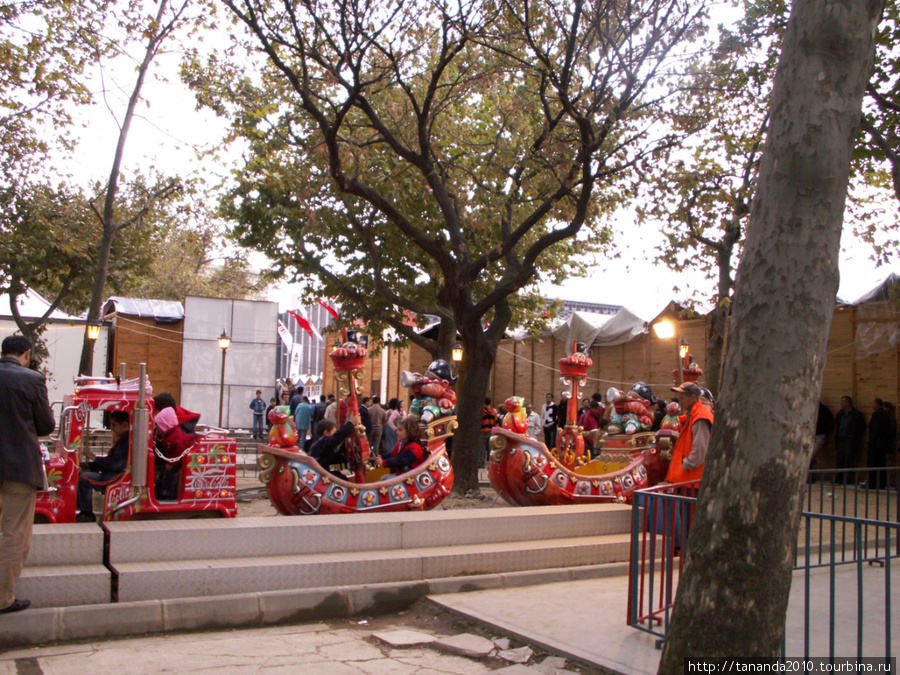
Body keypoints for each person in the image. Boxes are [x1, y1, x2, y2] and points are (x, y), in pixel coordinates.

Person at [0, 335, 55, 614]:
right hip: (19, 467)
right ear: (25, 354)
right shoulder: (32, 380)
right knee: (14, 533)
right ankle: (2, 598)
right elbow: (45, 424)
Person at [76, 410, 130, 522]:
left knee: (84, 477)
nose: (112, 428)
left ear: (124, 425)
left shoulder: (126, 442)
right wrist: (91, 465)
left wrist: (95, 459)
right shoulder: (124, 440)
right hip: (113, 473)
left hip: (115, 477)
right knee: (83, 473)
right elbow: (111, 461)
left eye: (114, 425)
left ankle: (86, 513)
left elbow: (115, 464)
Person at [663, 382, 714, 484]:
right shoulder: (694, 415)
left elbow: (700, 449)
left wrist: (685, 465)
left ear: (693, 397)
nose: (679, 402)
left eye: (682, 398)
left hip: (692, 480)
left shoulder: (700, 416)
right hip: (688, 479)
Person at [154, 406, 196, 500]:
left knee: (171, 473)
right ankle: (161, 490)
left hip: (180, 460)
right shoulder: (168, 434)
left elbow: (179, 449)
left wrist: (171, 463)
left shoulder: (174, 436)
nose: (157, 428)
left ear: (165, 425)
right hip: (175, 457)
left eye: (159, 426)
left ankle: (168, 493)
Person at [834, 395, 865, 484]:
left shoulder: (856, 414)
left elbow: (861, 426)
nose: (841, 403)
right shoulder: (840, 413)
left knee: (849, 459)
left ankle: (848, 479)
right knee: (840, 459)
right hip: (841, 438)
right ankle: (838, 479)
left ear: (848, 403)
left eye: (842, 401)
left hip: (850, 439)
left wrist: (855, 436)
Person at [865, 398, 892, 489]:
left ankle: (873, 483)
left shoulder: (877, 415)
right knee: (881, 463)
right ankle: (880, 483)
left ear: (876, 404)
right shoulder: (884, 415)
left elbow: (874, 430)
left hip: (876, 444)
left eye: (873, 403)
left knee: (874, 464)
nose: (872, 405)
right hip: (881, 444)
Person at [810, 401, 834, 472]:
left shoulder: (824, 411)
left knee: (811, 456)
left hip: (819, 435)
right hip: (811, 435)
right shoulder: (812, 410)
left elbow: (830, 423)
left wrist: (824, 433)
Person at [480, 397, 498, 467]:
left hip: (483, 431)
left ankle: (481, 463)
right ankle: (491, 464)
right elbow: (496, 422)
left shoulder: (482, 411)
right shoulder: (494, 411)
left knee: (482, 449)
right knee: (490, 449)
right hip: (491, 432)